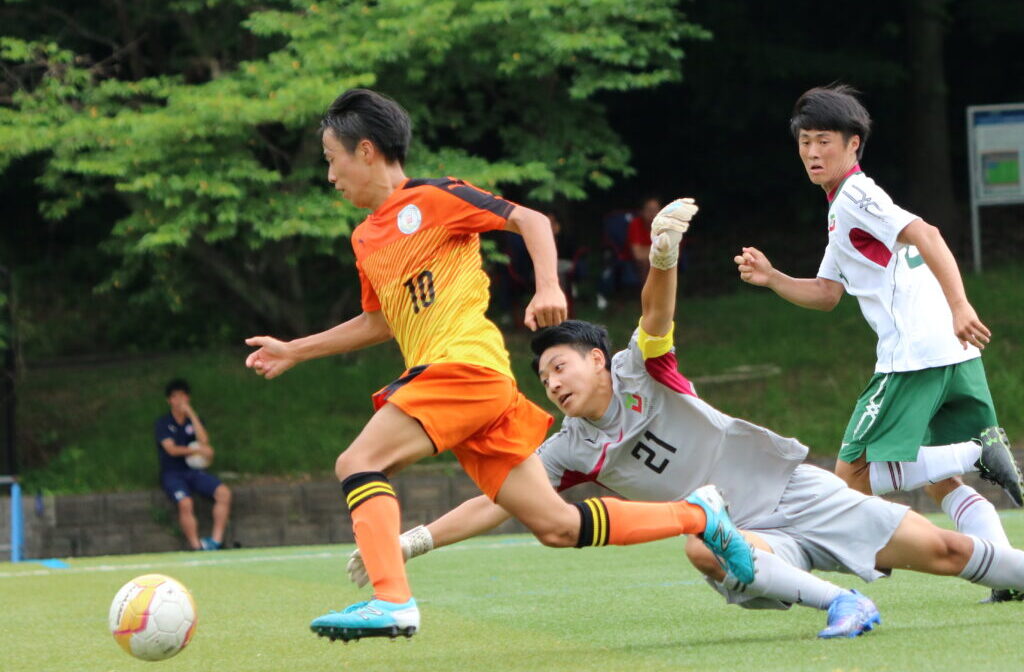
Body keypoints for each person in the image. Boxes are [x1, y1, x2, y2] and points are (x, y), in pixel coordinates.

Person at [347, 199, 1024, 638]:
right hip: (748, 535)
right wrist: (414, 541)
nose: (551, 383)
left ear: (598, 360)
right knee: (704, 541)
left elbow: (655, 312)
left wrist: (663, 254)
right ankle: (843, 603)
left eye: (559, 367)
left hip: (792, 489)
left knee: (948, 553)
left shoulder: (641, 368)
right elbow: (498, 499)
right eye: (543, 377)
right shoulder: (569, 447)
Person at [242, 89, 752, 642]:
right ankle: (699, 515)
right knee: (557, 526)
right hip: (472, 388)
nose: (329, 176)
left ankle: (391, 601)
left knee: (359, 461)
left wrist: (548, 285)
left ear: (365, 150)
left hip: (463, 367)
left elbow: (530, 220)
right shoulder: (365, 238)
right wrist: (295, 350)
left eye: (330, 159)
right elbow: (379, 321)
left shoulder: (435, 197)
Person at [733, 84, 1023, 600]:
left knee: (853, 477)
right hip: (951, 352)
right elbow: (827, 294)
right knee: (936, 480)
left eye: (824, 140)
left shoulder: (856, 196)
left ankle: (975, 453)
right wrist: (774, 278)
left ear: (853, 144)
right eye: (804, 142)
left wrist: (961, 305)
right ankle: (1009, 575)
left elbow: (929, 235)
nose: (812, 152)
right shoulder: (841, 209)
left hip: (914, 356)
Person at [155, 378, 232, 551]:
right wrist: (196, 451)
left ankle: (216, 541)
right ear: (169, 400)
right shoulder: (163, 423)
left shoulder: (194, 421)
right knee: (186, 503)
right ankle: (196, 546)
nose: (180, 400)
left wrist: (191, 414)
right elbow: (171, 449)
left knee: (224, 493)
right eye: (175, 397)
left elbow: (204, 441)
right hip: (172, 473)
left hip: (194, 472)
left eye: (183, 396)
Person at [626, 196, 662, 281]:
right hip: (634, 262)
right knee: (645, 262)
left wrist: (645, 250)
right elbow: (638, 255)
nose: (652, 214)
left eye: (655, 210)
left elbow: (672, 252)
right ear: (642, 212)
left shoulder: (667, 226)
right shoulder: (635, 224)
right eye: (649, 210)